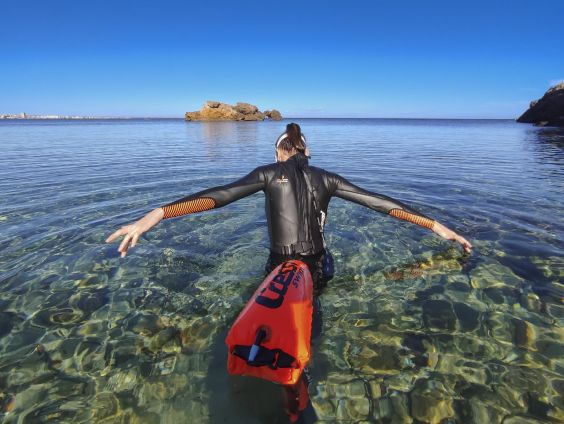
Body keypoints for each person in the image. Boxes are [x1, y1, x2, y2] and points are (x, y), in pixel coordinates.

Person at [106, 122, 472, 422]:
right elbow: (379, 202)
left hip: (279, 268)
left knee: (270, 310)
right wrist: (437, 227)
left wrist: (156, 214)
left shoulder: (267, 174)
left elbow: (220, 196)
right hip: (317, 268)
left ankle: (275, 369)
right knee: (310, 312)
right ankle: (299, 384)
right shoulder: (327, 178)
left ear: (278, 153)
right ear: (306, 152)